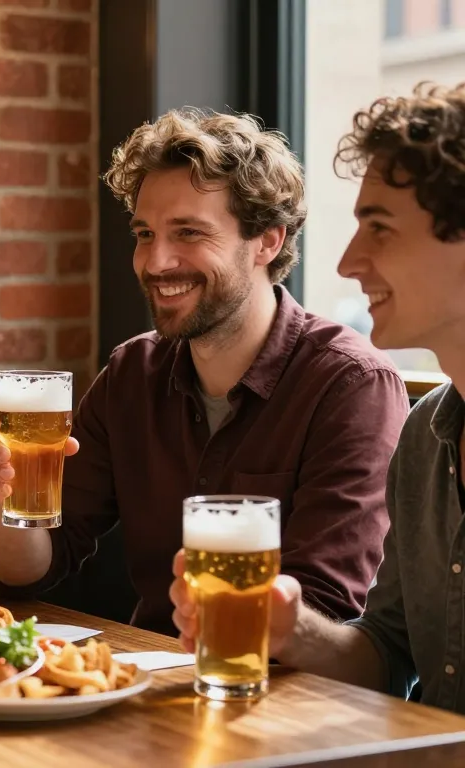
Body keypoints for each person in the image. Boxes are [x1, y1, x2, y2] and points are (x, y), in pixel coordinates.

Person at [0, 108, 410, 636]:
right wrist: (5, 494)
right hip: (150, 672)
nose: (156, 262)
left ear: (267, 240)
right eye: (145, 233)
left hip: (276, 682)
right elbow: (27, 571)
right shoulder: (132, 372)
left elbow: (323, 610)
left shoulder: (351, 385)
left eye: (189, 232)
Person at [170, 82, 465, 712]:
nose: (348, 262)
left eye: (379, 228)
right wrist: (291, 629)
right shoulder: (425, 437)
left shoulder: (358, 384)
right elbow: (389, 658)